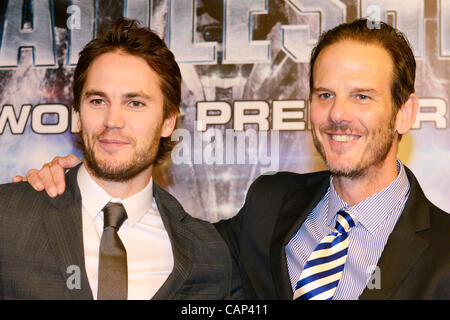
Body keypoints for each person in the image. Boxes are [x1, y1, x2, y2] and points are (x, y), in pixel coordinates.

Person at [17, 19, 450, 300]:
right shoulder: (271, 202)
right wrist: (82, 182)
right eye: (325, 95)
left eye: (362, 96)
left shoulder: (444, 254)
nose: (338, 114)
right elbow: (179, 243)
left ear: (405, 112)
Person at [1, 18, 242, 300]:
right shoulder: (8, 217)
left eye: (135, 103)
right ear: (78, 114)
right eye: (98, 101)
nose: (113, 120)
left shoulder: (208, 255)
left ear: (167, 122)